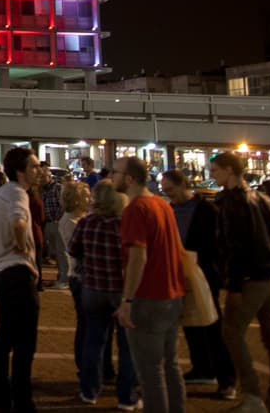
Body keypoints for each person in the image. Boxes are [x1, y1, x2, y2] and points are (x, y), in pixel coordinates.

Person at [210, 151, 270, 413]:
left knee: (232, 332)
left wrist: (234, 285)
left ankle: (252, 395)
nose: (212, 175)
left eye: (216, 170)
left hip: (250, 278)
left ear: (229, 170)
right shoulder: (266, 199)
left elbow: (236, 246)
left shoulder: (234, 203)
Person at [113, 156, 185, 413]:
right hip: (172, 294)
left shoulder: (136, 209)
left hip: (148, 296)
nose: (112, 177)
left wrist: (127, 300)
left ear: (129, 178)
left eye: (116, 172)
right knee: (170, 364)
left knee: (150, 371)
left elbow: (138, 256)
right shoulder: (162, 204)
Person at [0, 147, 42, 413]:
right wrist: (20, 243)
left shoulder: (0, 192)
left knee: (4, 339)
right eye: (34, 166)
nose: (38, 171)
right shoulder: (18, 193)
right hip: (19, 273)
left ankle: (1, 395)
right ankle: (22, 400)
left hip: (2, 272)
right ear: (20, 171)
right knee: (25, 343)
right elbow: (18, 221)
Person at [160, 169, 235, 398]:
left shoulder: (206, 210)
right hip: (180, 272)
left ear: (183, 185)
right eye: (165, 191)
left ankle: (226, 379)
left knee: (211, 324)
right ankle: (202, 367)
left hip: (204, 272)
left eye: (170, 189)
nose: (168, 194)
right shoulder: (171, 210)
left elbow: (219, 243)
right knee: (190, 322)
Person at [68, 180, 138, 409]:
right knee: (127, 345)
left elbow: (72, 249)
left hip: (93, 288)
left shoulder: (87, 223)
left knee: (94, 340)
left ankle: (89, 390)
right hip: (120, 289)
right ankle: (126, 396)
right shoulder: (125, 225)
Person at [58, 180, 92, 375]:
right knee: (85, 323)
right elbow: (79, 250)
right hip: (79, 276)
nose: (89, 199)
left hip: (85, 275)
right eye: (86, 196)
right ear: (76, 199)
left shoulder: (82, 218)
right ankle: (83, 362)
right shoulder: (70, 222)